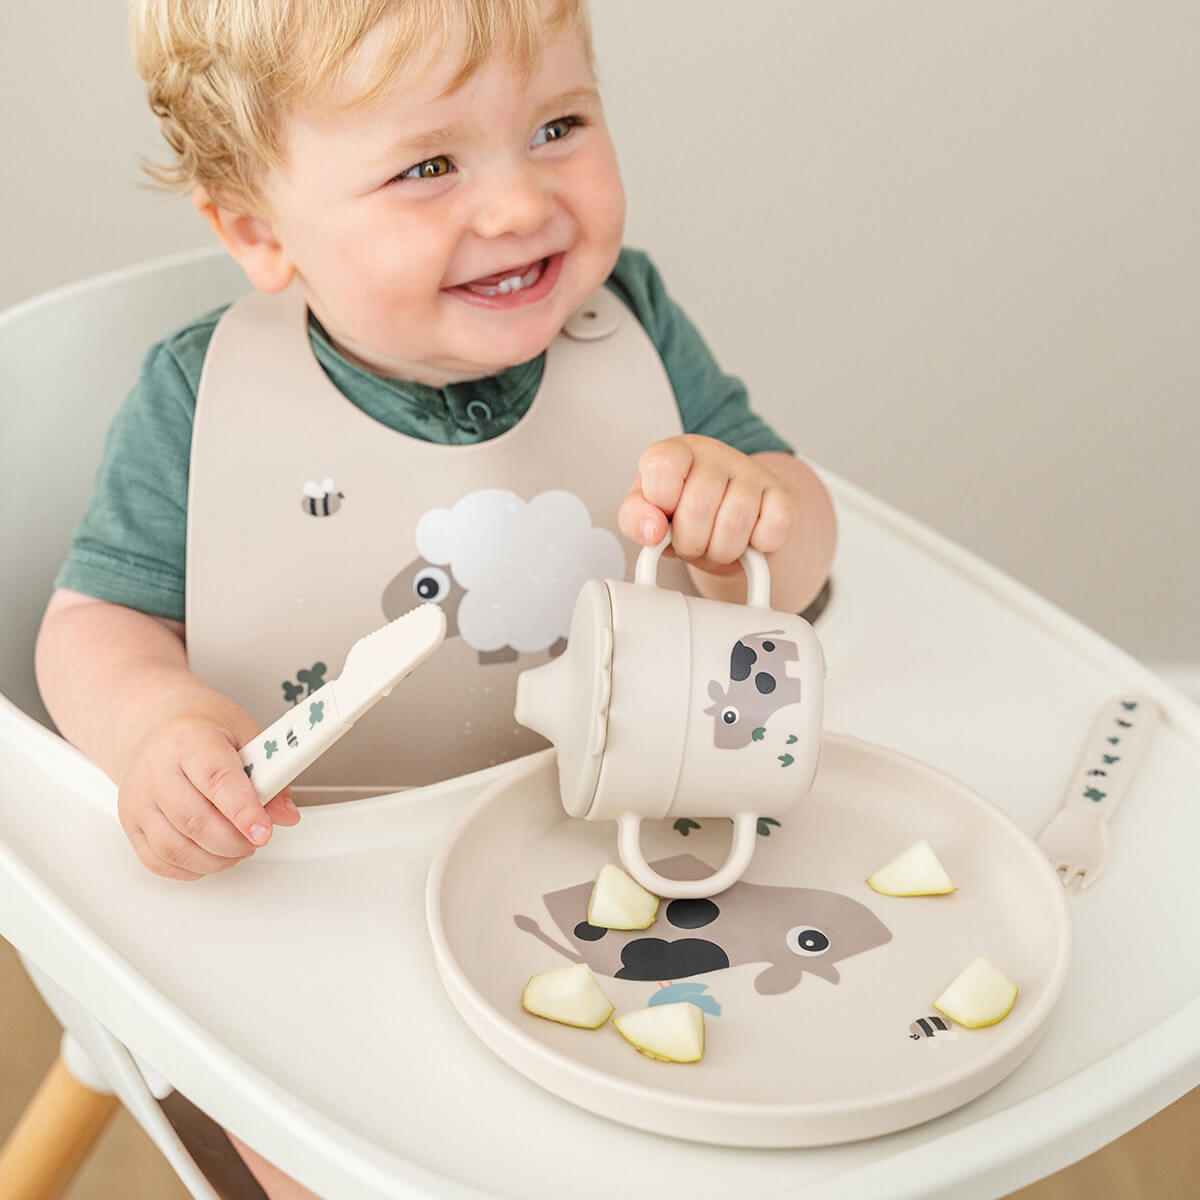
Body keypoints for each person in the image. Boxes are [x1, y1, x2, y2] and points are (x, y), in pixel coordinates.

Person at [35, 2, 836, 1192]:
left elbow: (802, 556)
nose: (518, 205)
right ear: (259, 229)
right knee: (343, 1153)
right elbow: (97, 625)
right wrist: (159, 726)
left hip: (608, 847)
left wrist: (748, 518)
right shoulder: (201, 399)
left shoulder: (634, 324)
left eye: (558, 125)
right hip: (317, 898)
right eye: (428, 165)